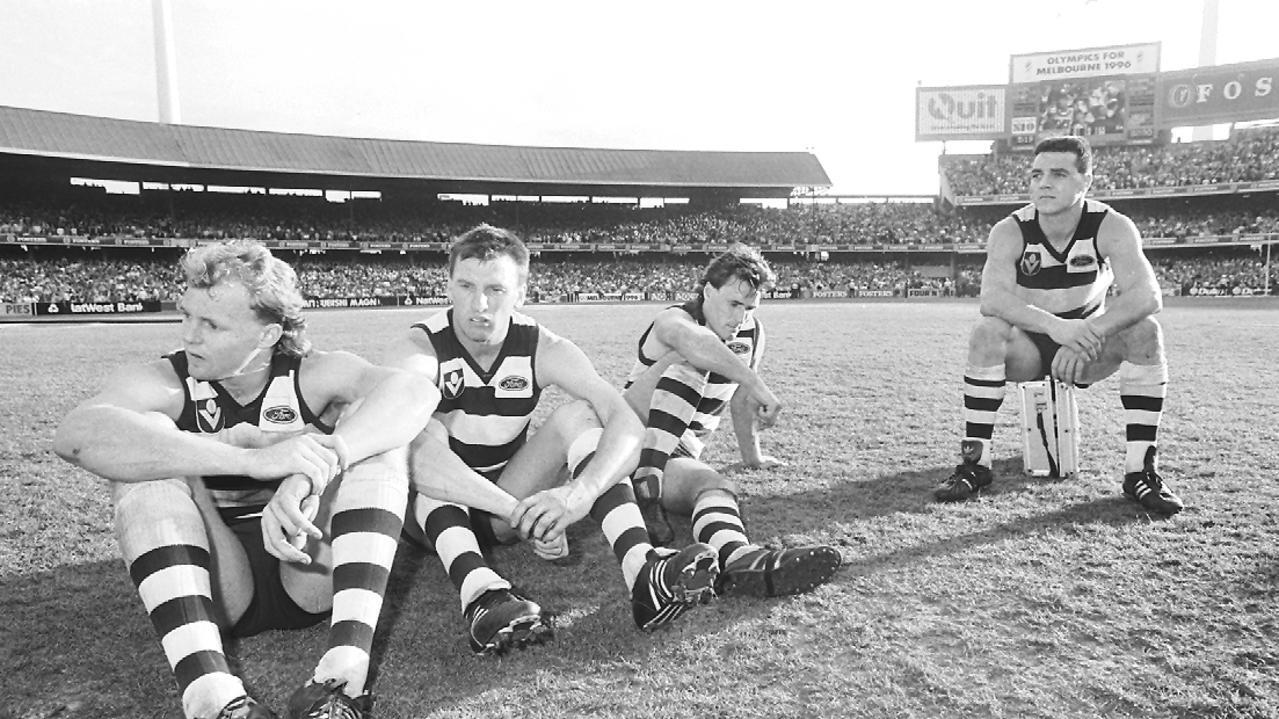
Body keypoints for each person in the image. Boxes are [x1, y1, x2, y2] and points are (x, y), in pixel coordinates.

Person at [54, 240, 437, 719]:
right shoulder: (169, 381)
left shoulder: (311, 374)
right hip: (212, 585)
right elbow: (76, 435)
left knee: (379, 440)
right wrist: (250, 459)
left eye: (211, 324)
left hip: (308, 569)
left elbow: (415, 391)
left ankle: (343, 678)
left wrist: (316, 465)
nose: (190, 335)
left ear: (267, 334)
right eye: (186, 315)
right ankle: (213, 698)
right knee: (144, 456)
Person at [385, 224, 721, 655]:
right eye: (466, 286)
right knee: (423, 431)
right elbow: (397, 437)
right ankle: (481, 594)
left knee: (580, 415)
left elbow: (625, 423)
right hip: (427, 518)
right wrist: (524, 515)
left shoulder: (543, 347)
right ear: (447, 285)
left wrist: (575, 497)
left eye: (496, 290)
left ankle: (643, 571)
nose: (479, 304)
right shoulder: (421, 347)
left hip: (502, 506)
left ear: (521, 293)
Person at [933, 135, 1183, 515]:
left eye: (1059, 173)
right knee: (986, 332)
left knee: (1146, 330)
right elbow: (992, 300)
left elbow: (1147, 296)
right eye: (1036, 174)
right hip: (1031, 349)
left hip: (1087, 348)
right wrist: (1056, 328)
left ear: (1086, 180)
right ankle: (974, 464)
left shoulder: (1111, 225)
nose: (1044, 183)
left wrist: (1087, 332)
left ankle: (1140, 471)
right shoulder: (1010, 230)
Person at [621, 245, 842, 598]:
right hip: (630, 439)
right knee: (688, 359)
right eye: (733, 304)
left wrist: (753, 457)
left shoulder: (752, 333)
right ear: (708, 291)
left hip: (677, 455)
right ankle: (646, 479)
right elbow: (695, 344)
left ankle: (741, 559)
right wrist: (759, 385)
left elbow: (740, 401)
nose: (740, 317)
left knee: (713, 486)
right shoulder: (673, 319)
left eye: (750, 307)